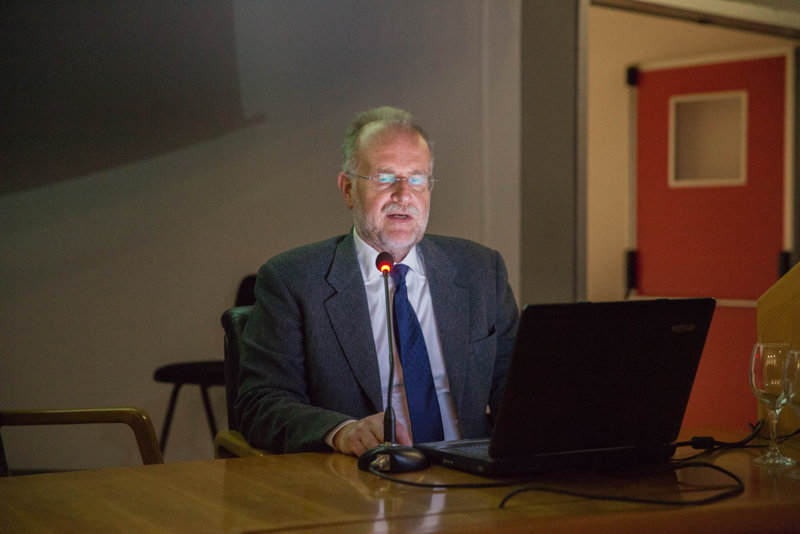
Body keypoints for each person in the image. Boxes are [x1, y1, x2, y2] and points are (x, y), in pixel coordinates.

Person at [236, 106, 518, 456]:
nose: (403, 194)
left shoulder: (481, 270)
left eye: (417, 179)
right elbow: (260, 403)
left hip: (473, 474)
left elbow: (518, 387)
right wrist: (341, 431)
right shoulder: (293, 279)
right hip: (364, 475)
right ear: (348, 189)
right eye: (384, 178)